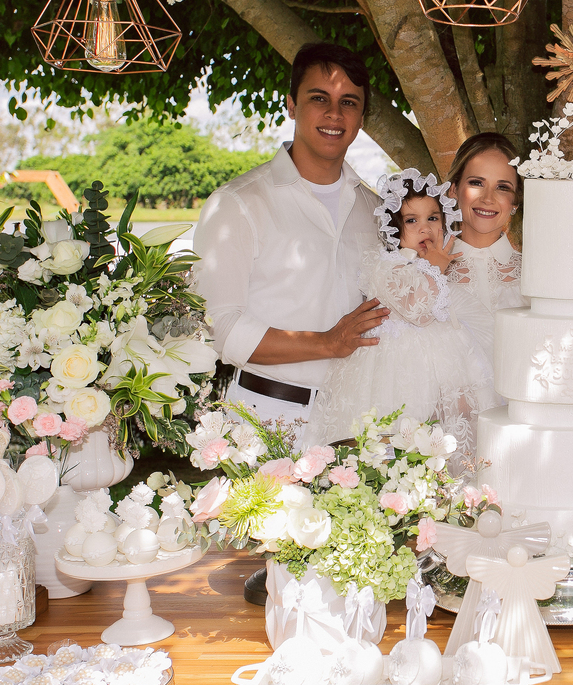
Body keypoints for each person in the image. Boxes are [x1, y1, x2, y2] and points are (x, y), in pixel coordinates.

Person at [192, 42, 388, 444]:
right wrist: (327, 343)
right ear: (292, 106)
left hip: (359, 424)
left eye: (349, 102)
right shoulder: (237, 204)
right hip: (266, 420)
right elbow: (219, 328)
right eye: (320, 98)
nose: (335, 114)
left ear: (361, 118)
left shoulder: (378, 211)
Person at [307, 169, 497, 461]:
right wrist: (435, 268)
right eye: (412, 221)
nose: (425, 229)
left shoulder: (434, 264)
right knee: (393, 436)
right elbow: (416, 311)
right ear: (395, 229)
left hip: (437, 361)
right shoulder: (387, 266)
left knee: (448, 428)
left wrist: (434, 267)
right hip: (393, 369)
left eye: (432, 218)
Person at [444, 133, 526, 361]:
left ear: (514, 203)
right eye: (477, 183)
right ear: (454, 189)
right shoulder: (427, 273)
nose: (488, 198)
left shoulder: (534, 276)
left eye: (503, 187)